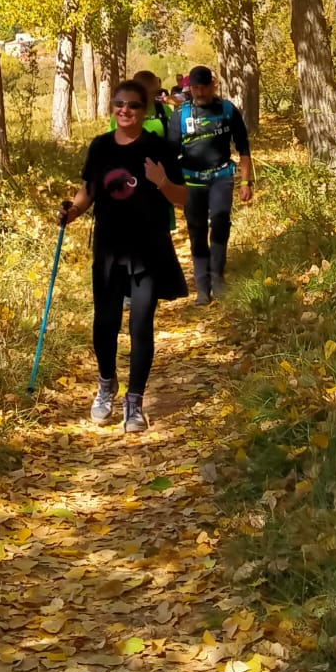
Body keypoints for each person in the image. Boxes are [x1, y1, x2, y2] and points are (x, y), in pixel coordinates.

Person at [58, 80, 189, 432]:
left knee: (140, 325)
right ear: (112, 106)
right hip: (109, 249)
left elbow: (183, 199)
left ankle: (134, 401)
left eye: (132, 105)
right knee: (105, 324)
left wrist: (162, 181)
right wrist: (73, 211)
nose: (125, 110)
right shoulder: (100, 146)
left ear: (144, 110)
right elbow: (89, 189)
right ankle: (106, 383)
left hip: (149, 249)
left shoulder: (158, 148)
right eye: (119, 103)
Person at [174, 65, 253, 303]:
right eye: (195, 88)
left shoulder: (227, 110)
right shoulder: (180, 115)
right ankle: (202, 286)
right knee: (196, 230)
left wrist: (246, 181)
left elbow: (243, 147)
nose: (199, 92)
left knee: (219, 222)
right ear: (190, 89)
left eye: (204, 87)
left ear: (212, 86)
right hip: (192, 181)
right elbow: (169, 153)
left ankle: (218, 278)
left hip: (221, 176)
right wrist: (173, 188)